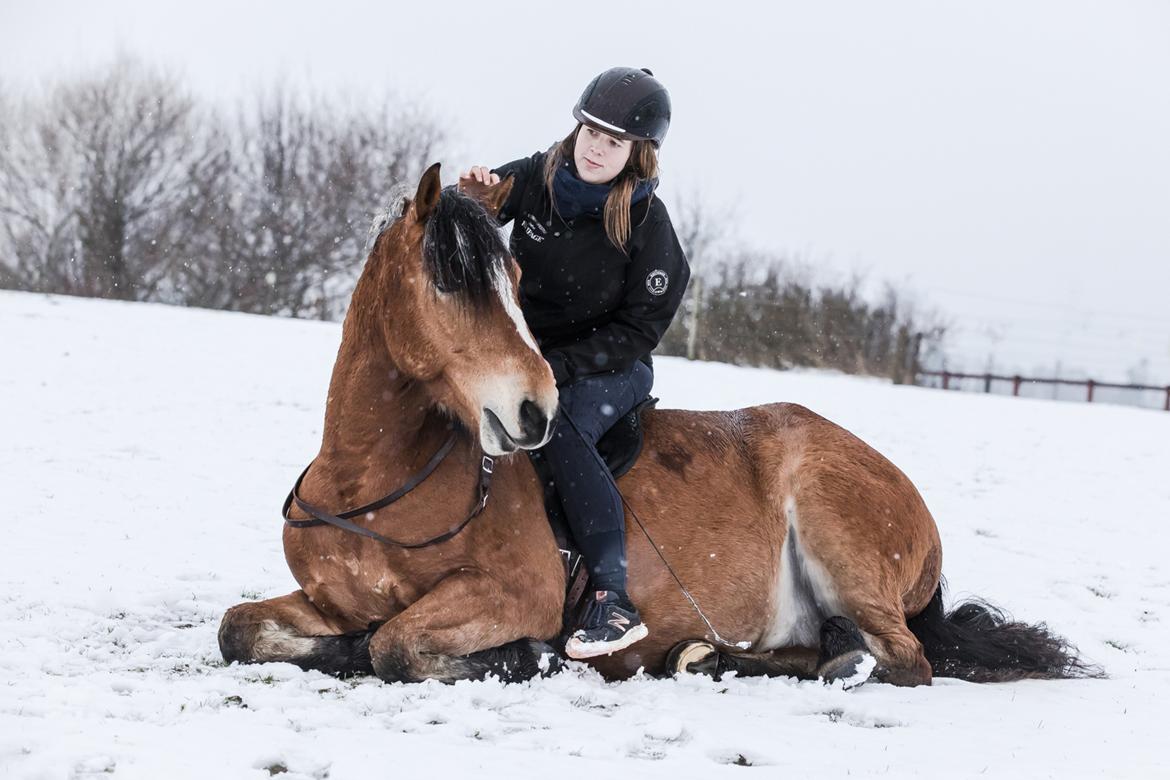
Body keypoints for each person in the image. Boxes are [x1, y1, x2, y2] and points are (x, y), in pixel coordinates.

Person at [459, 67, 690, 659]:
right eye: (591, 131)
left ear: (637, 154)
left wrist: (560, 366)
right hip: (528, 352)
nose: (595, 147)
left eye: (613, 142)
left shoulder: (648, 225)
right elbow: (477, 210)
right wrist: (476, 194)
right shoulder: (539, 175)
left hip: (608, 367)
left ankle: (613, 598)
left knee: (553, 425)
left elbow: (641, 330)